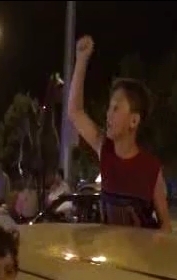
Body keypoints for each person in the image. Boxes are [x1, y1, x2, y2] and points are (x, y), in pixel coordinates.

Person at [67, 35, 171, 231]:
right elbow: (75, 111)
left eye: (116, 108)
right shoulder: (105, 149)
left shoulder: (151, 168)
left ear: (134, 121)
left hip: (138, 251)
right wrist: (81, 59)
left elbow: (165, 224)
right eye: (109, 107)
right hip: (110, 250)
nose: (108, 114)